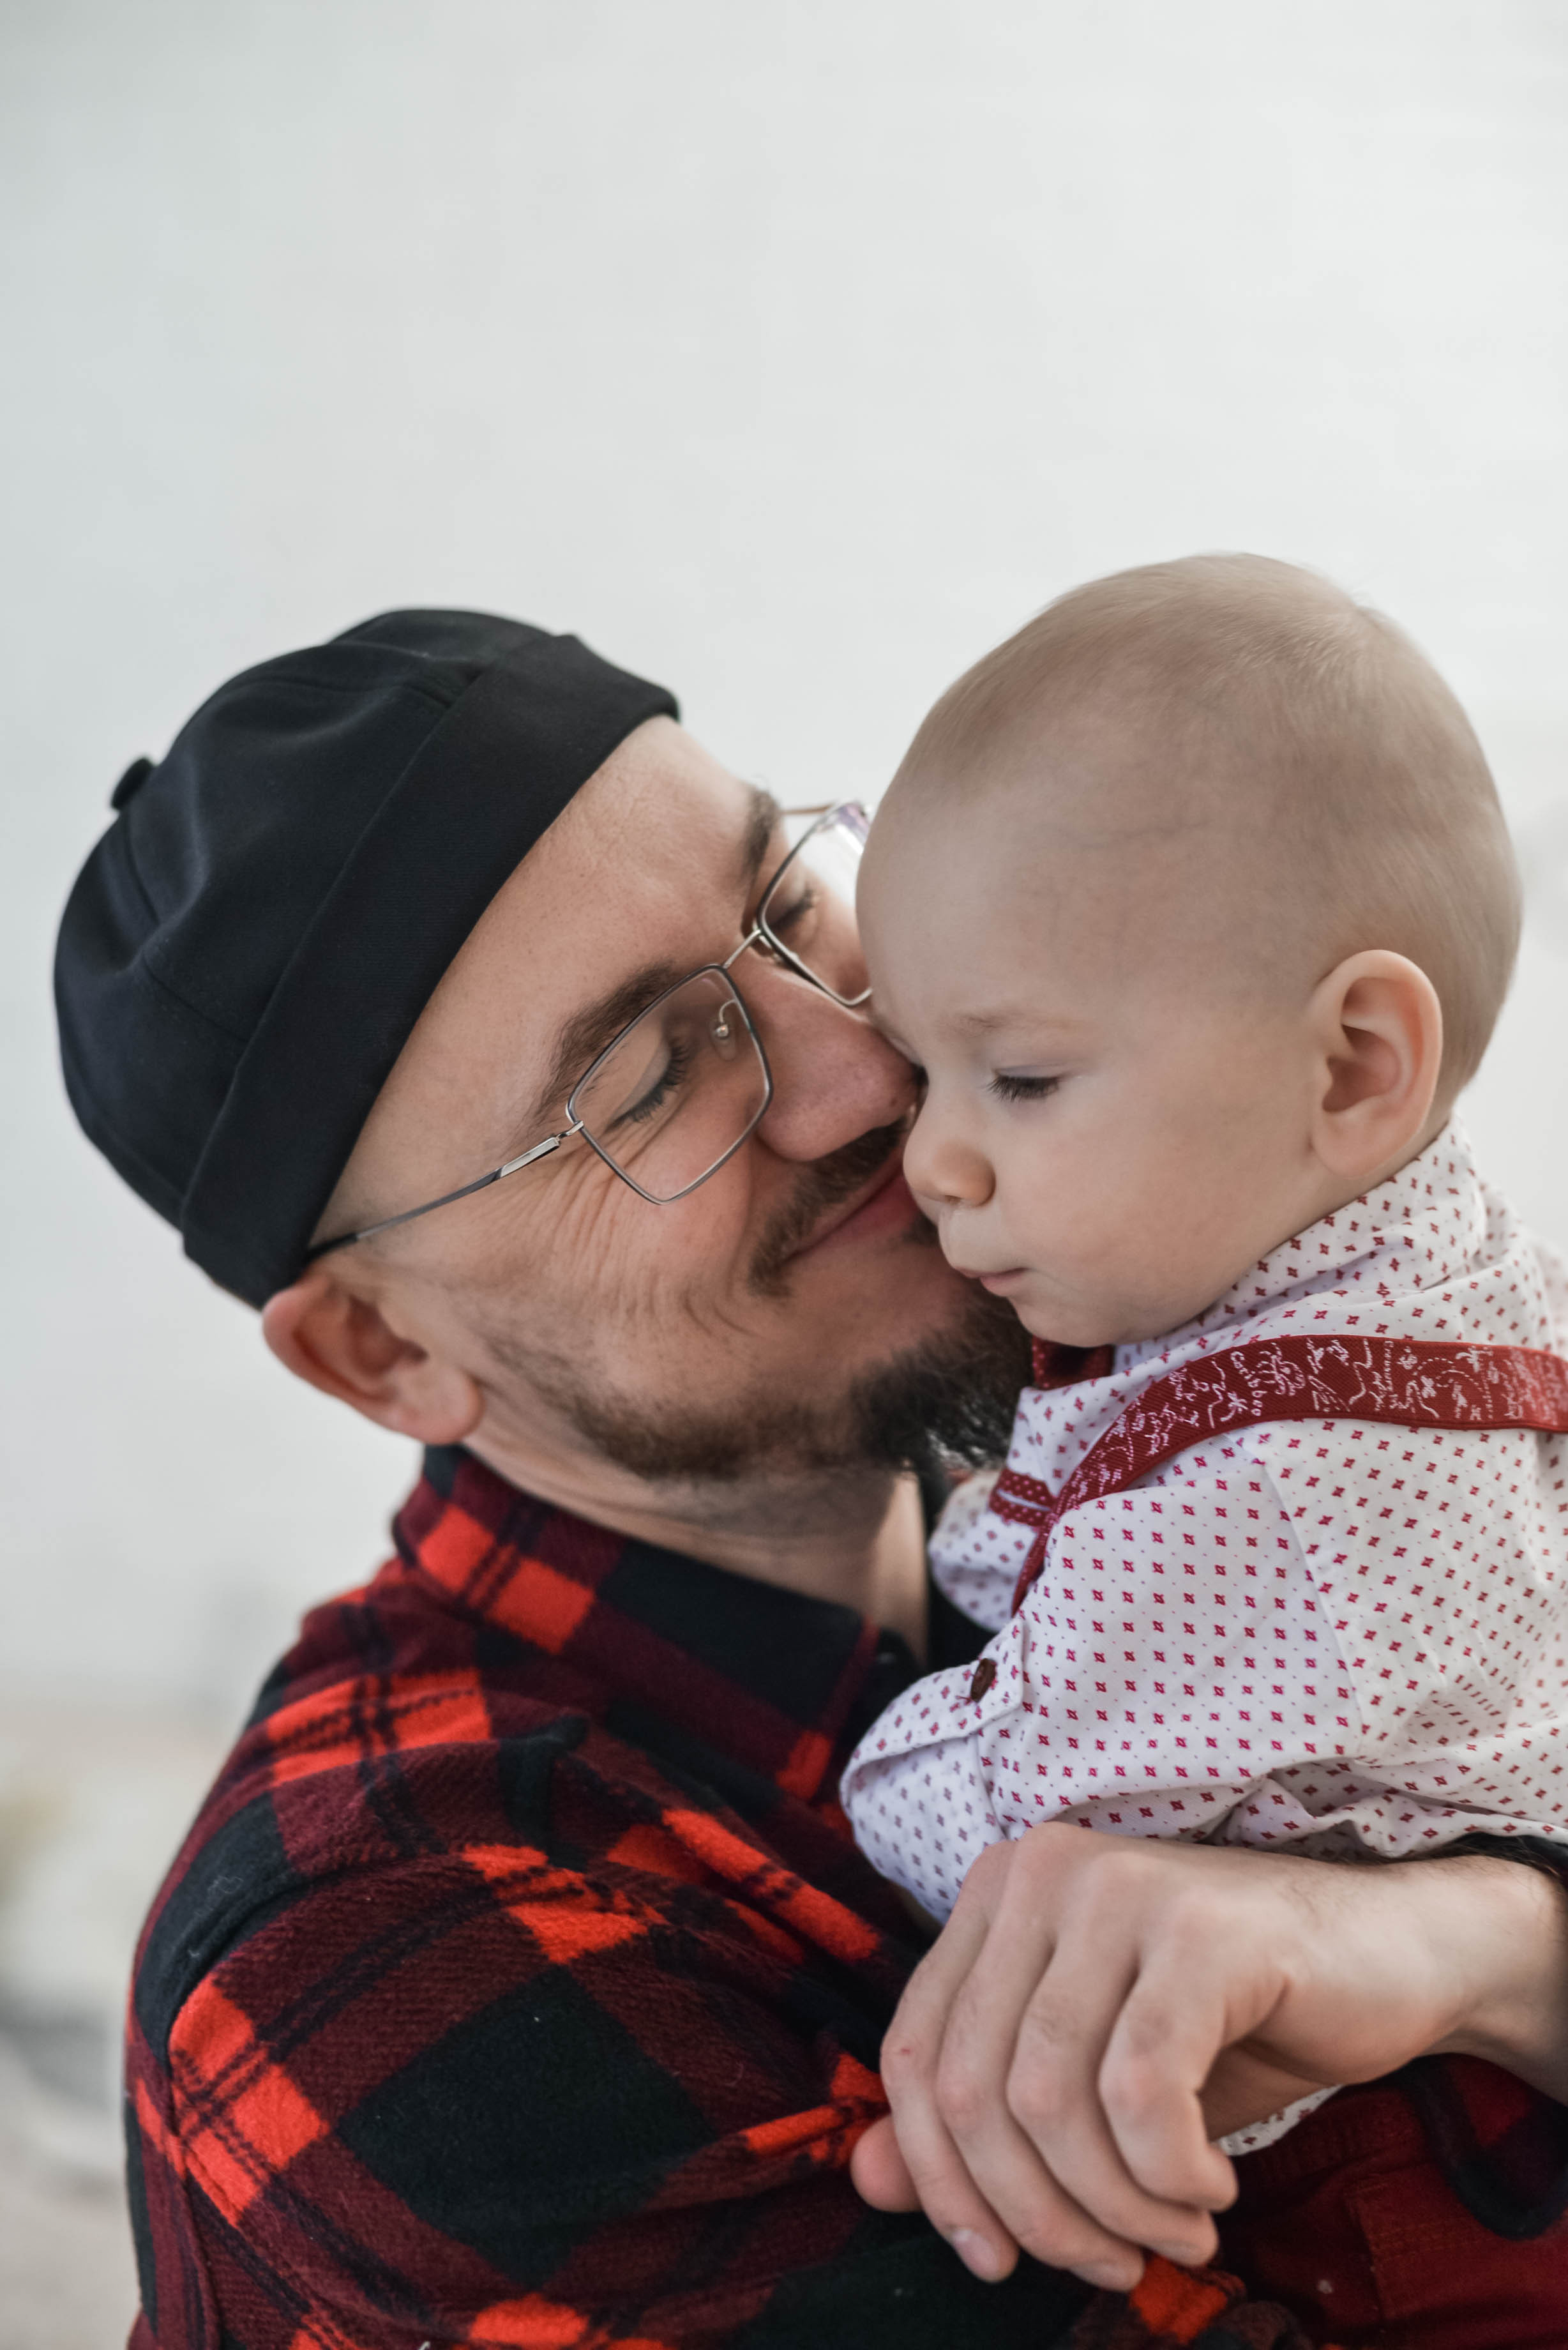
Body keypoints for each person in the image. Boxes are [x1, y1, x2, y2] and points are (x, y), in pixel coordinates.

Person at [52, 607, 1568, 2350]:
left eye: (786, 905)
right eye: (646, 1079)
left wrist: (1482, 1949)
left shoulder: (1170, 1474)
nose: (862, 1072)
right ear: (384, 1355)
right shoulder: (373, 1968)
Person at [840, 554, 1568, 2344]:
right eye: (916, 1068)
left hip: (1427, 2211)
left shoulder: (1282, 1488)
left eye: (1015, 1080)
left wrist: (877, 1745)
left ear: (1350, 1068)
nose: (930, 1158)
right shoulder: (1410, 1268)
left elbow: (1018, 1815)